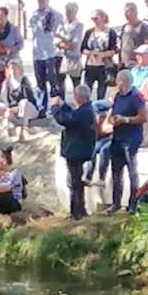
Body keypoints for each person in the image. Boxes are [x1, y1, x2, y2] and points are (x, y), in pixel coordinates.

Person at [104, 68, 148, 214]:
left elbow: (143, 117)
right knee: (116, 171)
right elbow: (113, 111)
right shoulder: (118, 95)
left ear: (124, 81)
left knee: (131, 171)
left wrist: (126, 120)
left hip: (131, 138)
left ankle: (133, 203)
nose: (117, 83)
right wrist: (111, 120)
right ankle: (115, 202)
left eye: (118, 80)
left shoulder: (136, 96)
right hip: (118, 137)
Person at [52, 83, 99, 219]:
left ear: (79, 97)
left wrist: (55, 108)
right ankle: (80, 210)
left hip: (76, 151)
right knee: (75, 182)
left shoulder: (84, 112)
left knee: (74, 183)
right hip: (79, 149)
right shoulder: (86, 109)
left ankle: (76, 213)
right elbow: (72, 114)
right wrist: (63, 105)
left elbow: (65, 119)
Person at [0, 60, 40, 140]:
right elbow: (4, 100)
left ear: (20, 69)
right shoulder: (6, 83)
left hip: (27, 109)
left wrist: (15, 110)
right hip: (11, 109)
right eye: (11, 69)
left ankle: (21, 131)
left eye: (15, 68)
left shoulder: (24, 81)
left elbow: (29, 100)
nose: (13, 71)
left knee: (23, 103)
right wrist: (7, 110)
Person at [29, 0, 62, 102]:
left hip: (50, 54)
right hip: (37, 54)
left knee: (52, 82)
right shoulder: (34, 14)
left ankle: (55, 104)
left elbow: (59, 29)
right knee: (40, 82)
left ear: (47, 0)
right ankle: (41, 106)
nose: (40, 2)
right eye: (38, 0)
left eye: (42, 0)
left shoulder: (54, 14)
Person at [81, 10, 119, 101]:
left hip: (104, 67)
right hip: (90, 66)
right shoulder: (89, 32)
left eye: (96, 18)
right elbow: (82, 49)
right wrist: (91, 53)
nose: (94, 20)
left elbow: (114, 50)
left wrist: (102, 55)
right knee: (86, 91)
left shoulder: (110, 32)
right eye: (92, 18)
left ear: (103, 18)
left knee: (101, 93)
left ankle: (99, 108)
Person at [117, 1, 148, 69]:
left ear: (134, 12)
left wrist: (142, 60)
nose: (125, 14)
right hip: (124, 64)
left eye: (127, 12)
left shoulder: (142, 27)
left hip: (136, 63)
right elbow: (121, 44)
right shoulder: (124, 27)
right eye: (125, 12)